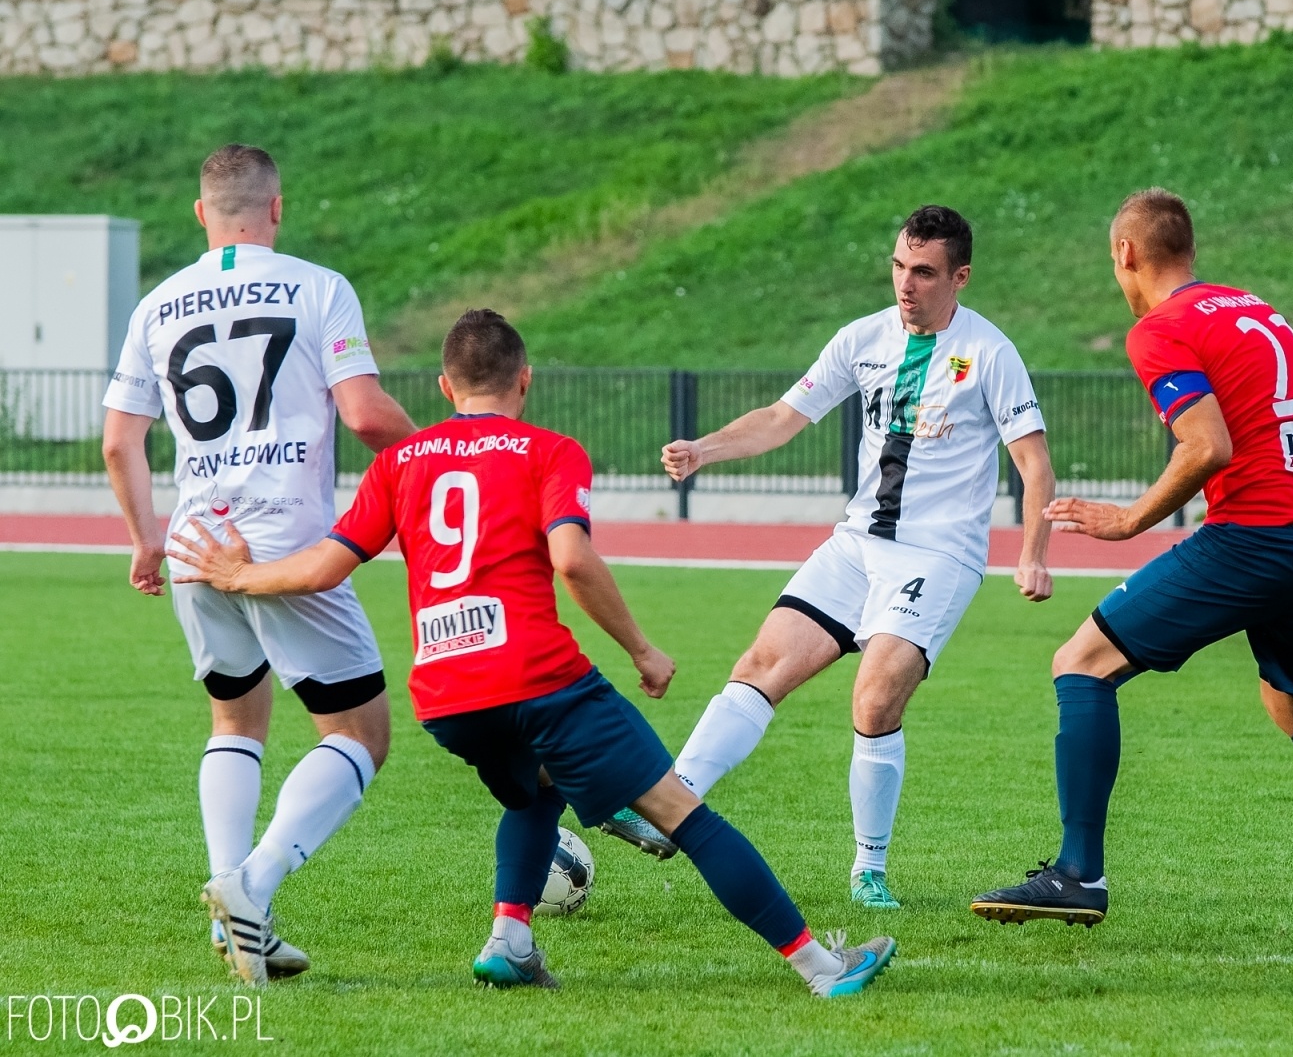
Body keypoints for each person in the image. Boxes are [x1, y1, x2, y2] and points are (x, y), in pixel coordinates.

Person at [166, 308, 897, 995]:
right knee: (685, 814)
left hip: (447, 699)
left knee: (536, 789)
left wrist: (238, 574)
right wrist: (641, 650)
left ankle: (509, 940)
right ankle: (821, 965)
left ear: (445, 387)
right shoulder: (550, 451)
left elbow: (326, 565)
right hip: (540, 679)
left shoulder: (403, 461)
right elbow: (572, 561)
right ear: (525, 380)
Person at [969, 188, 1293, 934]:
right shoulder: (1255, 308)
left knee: (1081, 662)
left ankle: (1078, 873)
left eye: (1113, 263)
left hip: (1256, 534)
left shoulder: (1162, 328)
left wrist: (1127, 520)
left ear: (1126, 254)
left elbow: (1208, 445)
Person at [600, 205, 1057, 910]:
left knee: (874, 699)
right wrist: (704, 449)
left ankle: (868, 869)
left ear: (959, 277)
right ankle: (670, 809)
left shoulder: (989, 353)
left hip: (937, 556)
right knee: (758, 665)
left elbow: (1034, 463)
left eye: (925, 272)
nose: (908, 283)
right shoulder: (863, 338)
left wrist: (1032, 554)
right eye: (900, 266)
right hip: (856, 545)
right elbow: (783, 418)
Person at [102, 144, 417, 983]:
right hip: (284, 538)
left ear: (200, 214)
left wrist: (144, 537)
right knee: (359, 734)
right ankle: (250, 889)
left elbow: (118, 439)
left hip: (195, 542)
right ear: (276, 209)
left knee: (235, 721)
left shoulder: (158, 304)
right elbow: (364, 411)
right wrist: (449, 455)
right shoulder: (317, 286)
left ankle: (229, 920)